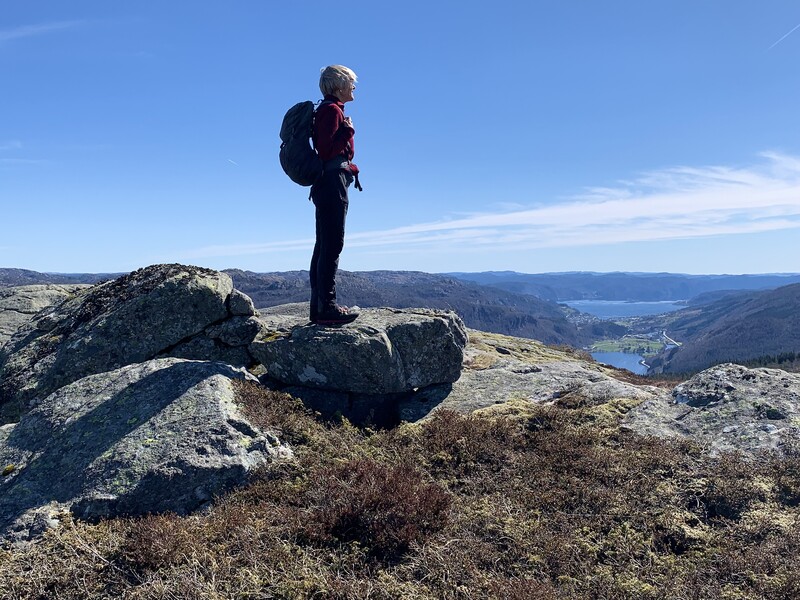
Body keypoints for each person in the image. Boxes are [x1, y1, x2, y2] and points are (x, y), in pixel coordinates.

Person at [309, 65, 362, 325]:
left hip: (327, 183)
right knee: (332, 245)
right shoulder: (331, 111)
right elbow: (327, 150)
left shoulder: (328, 109)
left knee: (324, 245)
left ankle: (319, 308)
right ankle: (327, 308)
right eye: (351, 82)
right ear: (339, 85)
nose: (354, 87)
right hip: (332, 183)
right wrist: (348, 131)